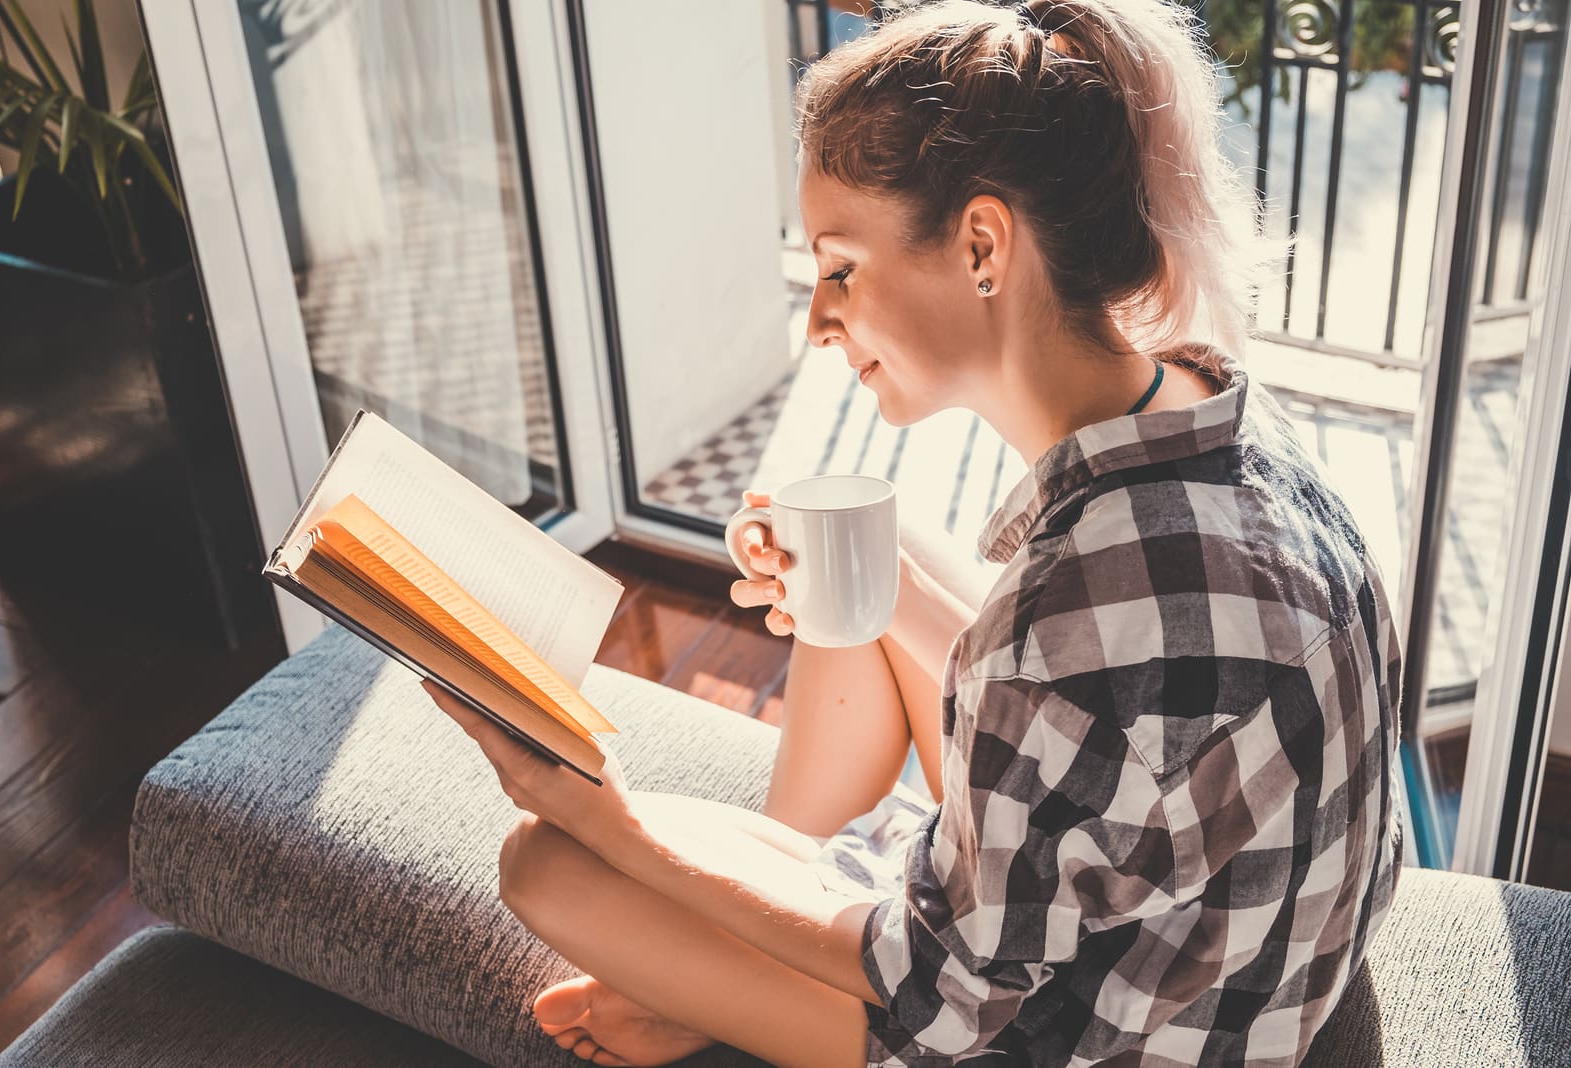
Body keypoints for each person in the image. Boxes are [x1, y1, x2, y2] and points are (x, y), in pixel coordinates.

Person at [422, 0, 1405, 1064]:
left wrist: (620, 832)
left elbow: (940, 999)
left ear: (983, 244)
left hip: (1082, 1033)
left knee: (545, 864)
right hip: (1216, 937)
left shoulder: (1062, 626)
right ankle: (749, 935)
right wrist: (857, 584)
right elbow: (1091, 714)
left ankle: (720, 983)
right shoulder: (1224, 417)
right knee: (867, 550)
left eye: (840, 267)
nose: (818, 318)